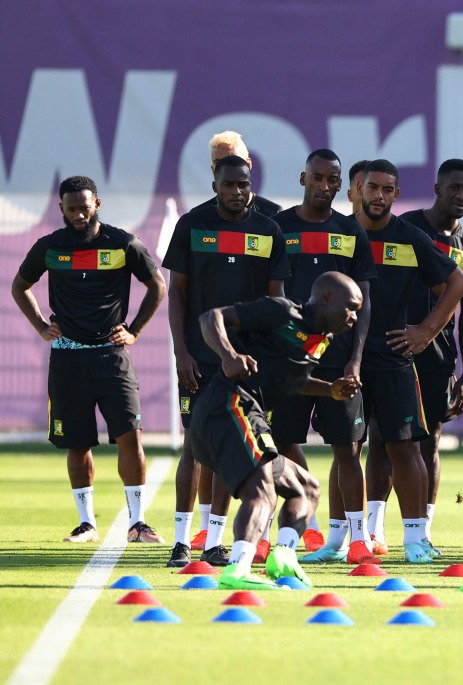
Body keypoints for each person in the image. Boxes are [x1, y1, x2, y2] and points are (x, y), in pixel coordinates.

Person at [12, 176, 167, 544]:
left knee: (131, 438)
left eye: (85, 206)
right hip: (68, 361)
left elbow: (157, 285)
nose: (79, 214)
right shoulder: (50, 247)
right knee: (77, 444)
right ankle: (86, 523)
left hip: (113, 358)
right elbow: (20, 286)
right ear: (61, 209)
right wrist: (39, 326)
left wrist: (134, 330)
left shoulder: (122, 243)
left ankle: (138, 523)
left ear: (97, 204)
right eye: (71, 209)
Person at [189, 272, 363, 590]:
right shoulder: (281, 311)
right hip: (227, 405)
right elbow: (210, 317)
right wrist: (228, 355)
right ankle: (237, 569)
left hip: (246, 413)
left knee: (306, 489)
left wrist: (330, 391)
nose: (353, 317)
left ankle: (282, 556)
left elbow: (291, 381)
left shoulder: (322, 341)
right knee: (263, 492)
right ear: (325, 297)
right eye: (350, 307)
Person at [162, 155, 290, 568]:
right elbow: (177, 293)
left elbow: (276, 303)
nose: (238, 191)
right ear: (214, 181)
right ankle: (182, 541)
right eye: (230, 183)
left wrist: (269, 358)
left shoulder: (269, 231)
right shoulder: (192, 226)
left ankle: (214, 540)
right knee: (194, 449)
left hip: (249, 364)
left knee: (231, 452)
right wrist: (181, 350)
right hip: (199, 359)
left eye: (244, 184)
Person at [268, 149, 378, 565]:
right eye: (318, 178)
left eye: (333, 180)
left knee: (348, 450)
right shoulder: (277, 227)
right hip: (291, 359)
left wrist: (355, 361)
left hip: (339, 360)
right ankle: (290, 528)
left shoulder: (352, 232)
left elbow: (364, 303)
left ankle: (359, 539)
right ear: (303, 178)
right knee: (279, 444)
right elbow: (270, 290)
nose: (326, 186)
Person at [355, 159, 463, 563]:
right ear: (358, 189)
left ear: (396, 195)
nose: (380, 196)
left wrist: (425, 331)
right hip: (346, 361)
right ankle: (348, 539)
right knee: (347, 450)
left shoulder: (411, 237)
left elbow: (458, 282)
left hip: (393, 360)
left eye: (388, 189)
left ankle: (417, 540)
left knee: (405, 450)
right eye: (373, 188)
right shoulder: (341, 234)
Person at [398, 159, 463, 551]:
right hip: (395, 347)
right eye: (455, 188)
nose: (462, 196)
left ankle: (423, 531)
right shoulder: (406, 228)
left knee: (430, 443)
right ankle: (372, 532)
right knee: (388, 441)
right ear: (437, 188)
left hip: (438, 357)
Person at [190, 131, 282, 216]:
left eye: (234, 160)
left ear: (248, 165)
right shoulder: (196, 218)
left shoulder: (273, 214)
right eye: (218, 163)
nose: (226, 168)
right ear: (213, 169)